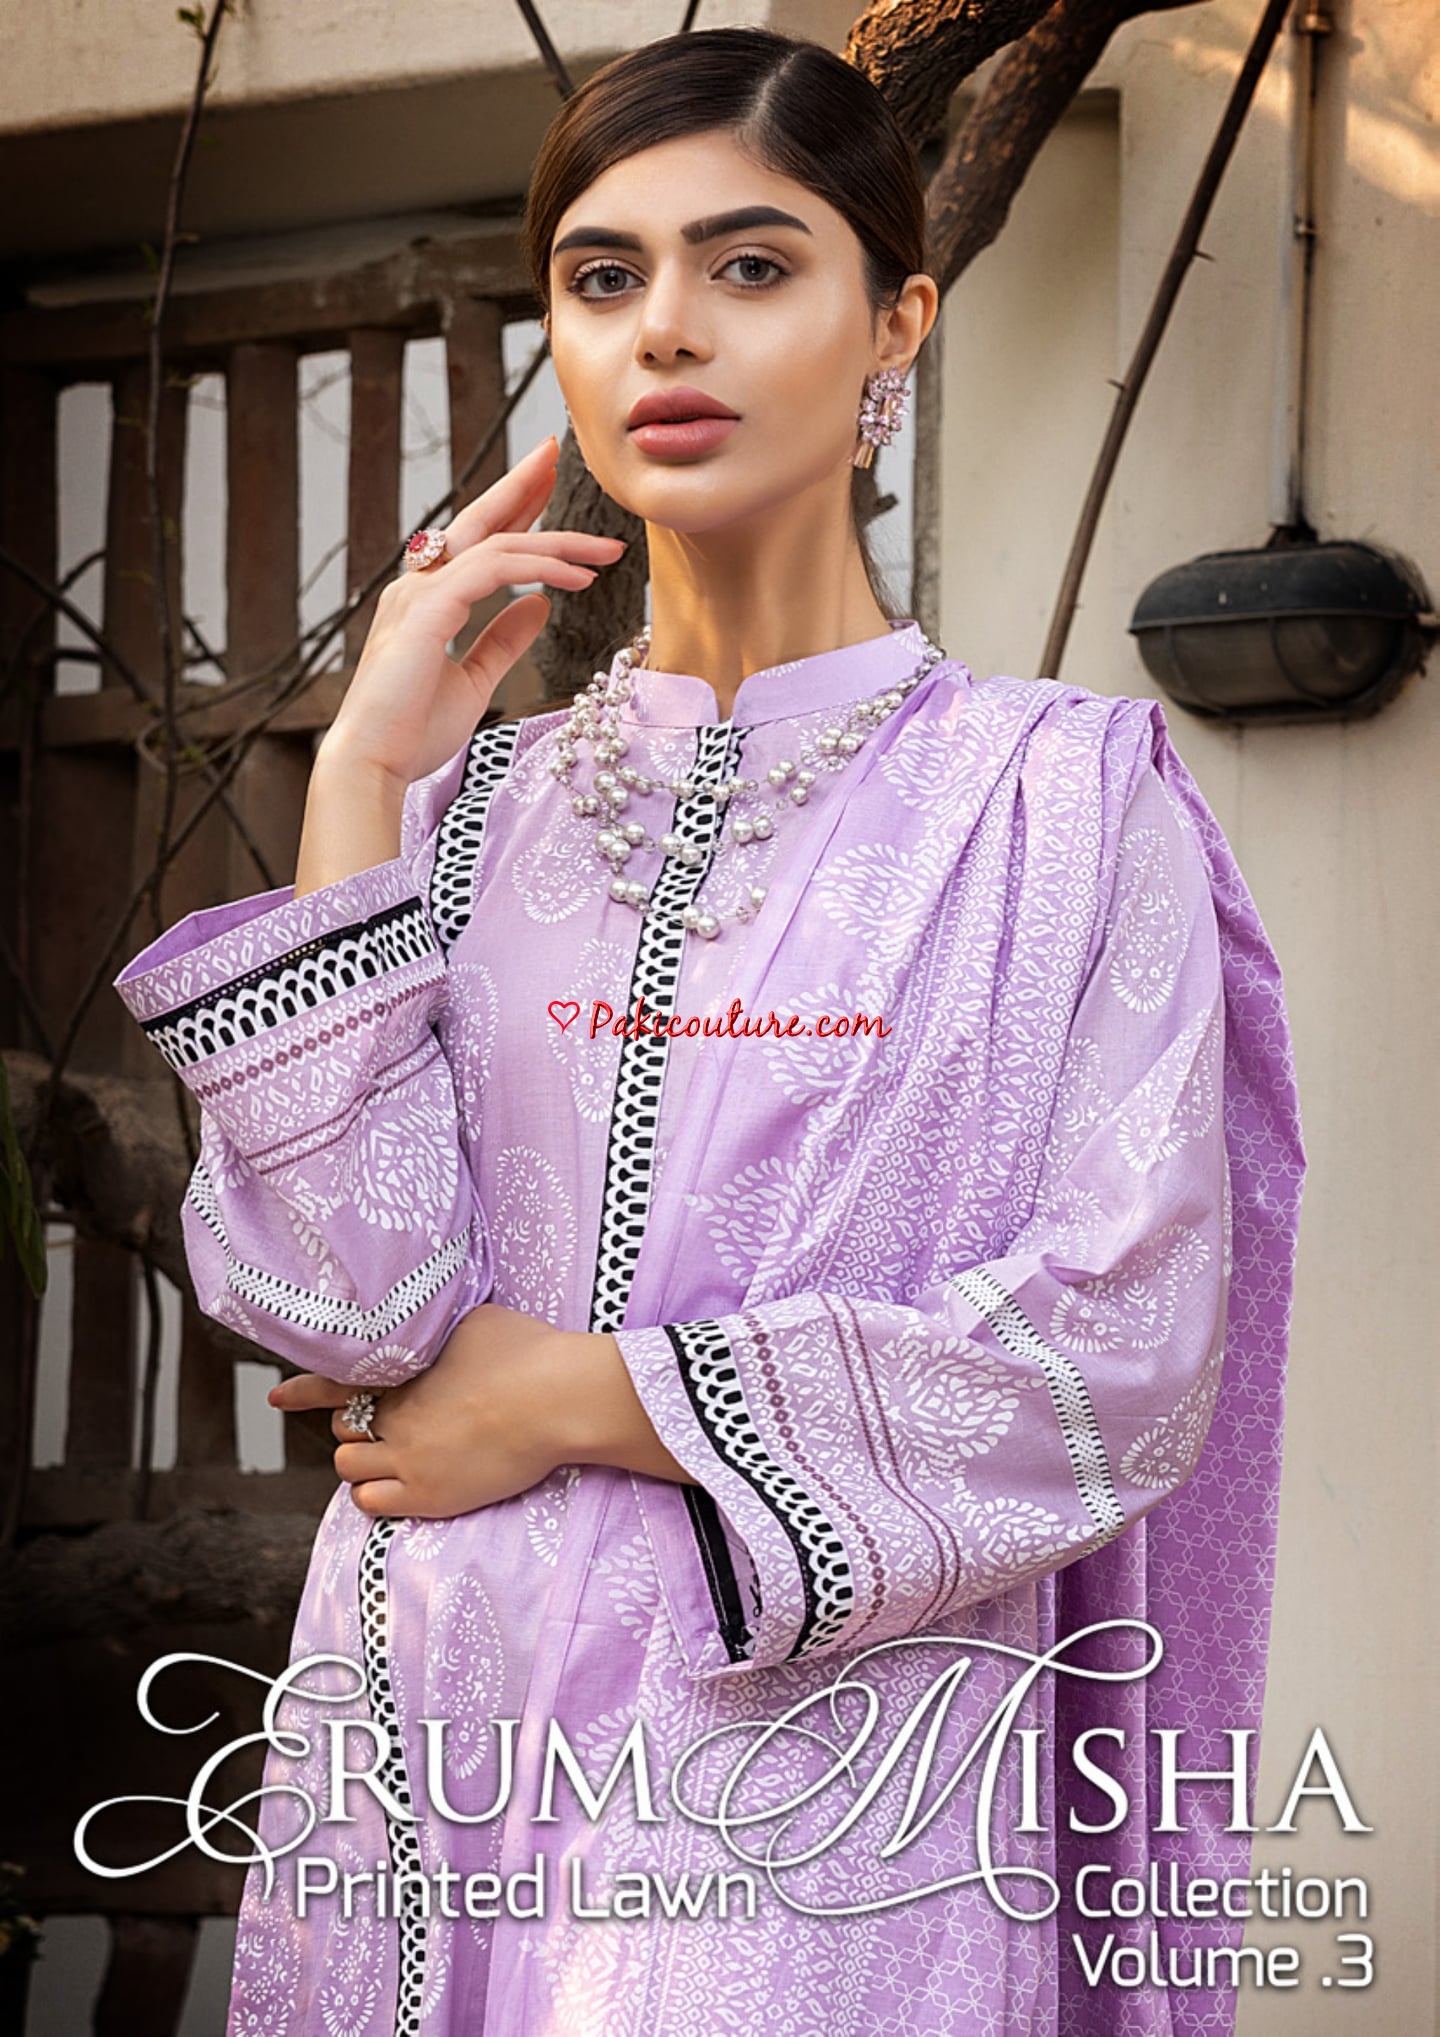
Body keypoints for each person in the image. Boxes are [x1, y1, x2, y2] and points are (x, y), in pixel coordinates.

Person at [112, 27, 1306, 2037]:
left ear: (897, 322)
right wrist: (363, 779)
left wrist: (583, 1398)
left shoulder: (1064, 798)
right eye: (605, 276)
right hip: (428, 1734)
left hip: (824, 1776)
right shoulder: (468, 815)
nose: (668, 325)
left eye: (753, 265)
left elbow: (1119, 1340)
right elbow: (346, 1304)